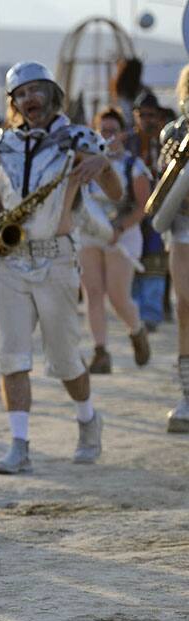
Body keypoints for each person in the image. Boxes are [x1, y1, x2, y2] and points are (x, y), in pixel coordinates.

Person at [0, 62, 121, 474]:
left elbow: (116, 192)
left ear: (52, 94)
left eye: (36, 90)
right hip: (13, 260)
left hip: (57, 257)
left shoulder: (77, 138)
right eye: (20, 93)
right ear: (13, 102)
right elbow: (7, 201)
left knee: (65, 358)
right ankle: (19, 445)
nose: (29, 99)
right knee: (12, 355)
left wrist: (101, 166)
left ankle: (88, 419)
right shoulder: (7, 144)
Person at [78, 106, 151, 373]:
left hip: (122, 234)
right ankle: (100, 352)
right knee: (93, 293)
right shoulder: (86, 162)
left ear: (122, 134)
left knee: (118, 296)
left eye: (112, 131)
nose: (107, 136)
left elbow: (144, 206)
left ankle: (137, 329)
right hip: (90, 233)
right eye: (102, 130)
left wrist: (119, 227)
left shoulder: (133, 166)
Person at [156, 65, 189, 433]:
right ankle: (187, 396)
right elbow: (164, 180)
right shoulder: (176, 131)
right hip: (183, 227)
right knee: (185, 309)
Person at [128, 92, 168, 332]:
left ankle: (152, 314)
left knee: (155, 262)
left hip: (160, 211)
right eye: (142, 115)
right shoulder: (127, 143)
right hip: (133, 210)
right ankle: (134, 314)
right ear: (135, 117)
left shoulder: (167, 142)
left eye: (151, 115)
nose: (147, 120)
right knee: (132, 260)